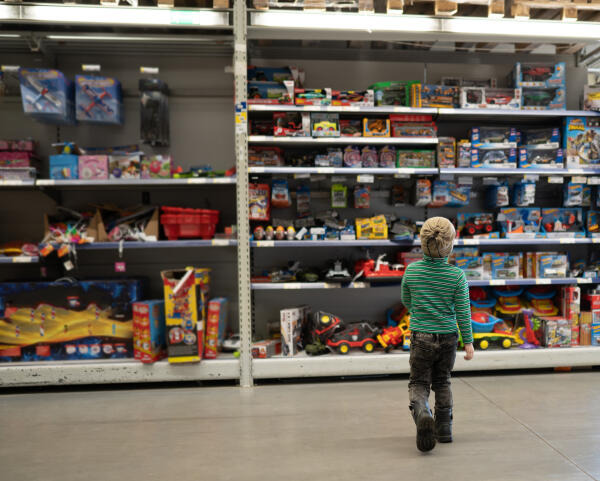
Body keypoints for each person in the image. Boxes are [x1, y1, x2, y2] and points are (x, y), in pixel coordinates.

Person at [401, 216, 474, 452]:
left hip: (421, 335)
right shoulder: (457, 276)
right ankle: (444, 429)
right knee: (442, 381)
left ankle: (422, 413)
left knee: (419, 381)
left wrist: (421, 312)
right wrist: (469, 343)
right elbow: (463, 312)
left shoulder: (411, 271)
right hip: (449, 337)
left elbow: (406, 301)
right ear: (450, 245)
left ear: (422, 243)